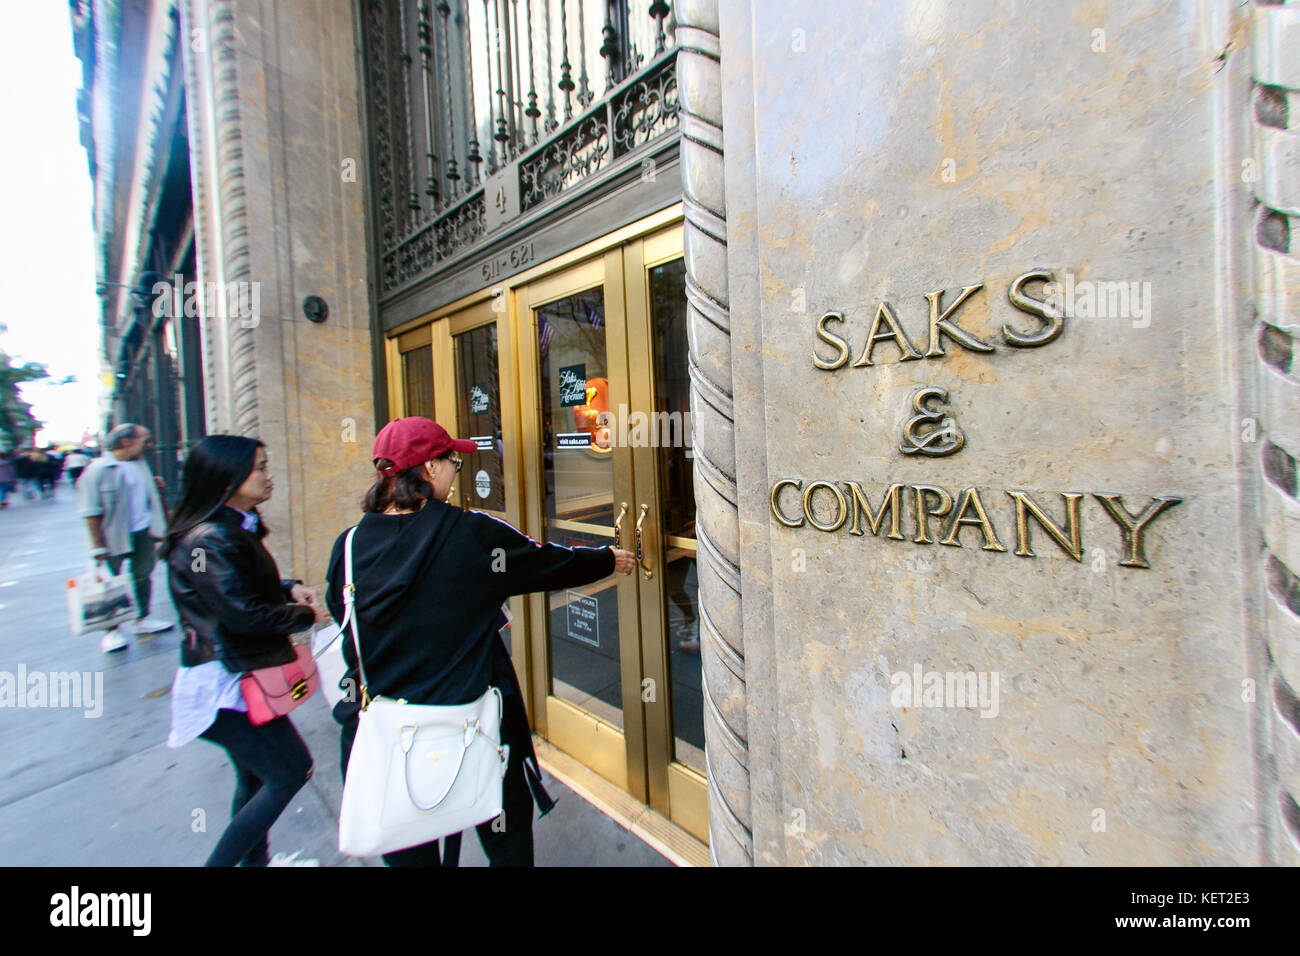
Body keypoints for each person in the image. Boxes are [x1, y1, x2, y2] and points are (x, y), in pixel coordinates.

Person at [325, 417, 636, 867]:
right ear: (429, 470)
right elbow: (547, 564)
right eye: (452, 461)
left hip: (387, 741)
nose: (457, 471)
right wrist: (607, 558)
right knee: (506, 843)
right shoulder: (469, 532)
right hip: (473, 728)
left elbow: (349, 625)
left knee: (410, 851)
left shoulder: (349, 547)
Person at [161, 434, 330, 867]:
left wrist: (287, 586)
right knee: (293, 770)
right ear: (227, 476)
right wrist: (304, 617)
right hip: (224, 683)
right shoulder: (209, 539)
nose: (268, 476)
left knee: (257, 778)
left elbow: (235, 589)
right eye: (259, 467)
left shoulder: (228, 528)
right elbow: (243, 615)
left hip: (235, 676)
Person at [78, 424, 174, 652]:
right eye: (144, 440)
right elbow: (90, 512)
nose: (148, 445)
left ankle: (141, 619)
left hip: (141, 531)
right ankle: (111, 631)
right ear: (125, 442)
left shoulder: (140, 465)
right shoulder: (97, 470)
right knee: (109, 584)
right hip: (112, 536)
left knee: (143, 575)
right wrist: (97, 547)